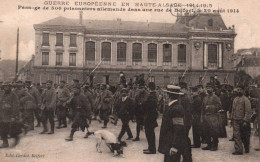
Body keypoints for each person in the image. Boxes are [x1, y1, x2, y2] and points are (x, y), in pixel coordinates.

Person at [158, 85, 192, 162]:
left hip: (172, 146)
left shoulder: (176, 109)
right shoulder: (172, 107)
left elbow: (178, 128)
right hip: (169, 144)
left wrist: (174, 146)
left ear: (169, 96)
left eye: (166, 94)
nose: (165, 96)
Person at [0, 82, 22, 148]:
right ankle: (5, 143)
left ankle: (16, 138)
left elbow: (16, 106)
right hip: (2, 115)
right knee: (2, 129)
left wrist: (14, 115)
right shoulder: (3, 94)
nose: (5, 88)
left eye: (7, 86)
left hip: (10, 116)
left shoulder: (13, 95)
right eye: (4, 86)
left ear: (10, 87)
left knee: (11, 130)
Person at [201, 83, 222, 151]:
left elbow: (219, 106)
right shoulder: (205, 98)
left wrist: (210, 107)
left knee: (214, 132)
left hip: (213, 117)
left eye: (209, 88)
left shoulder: (215, 97)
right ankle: (209, 145)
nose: (208, 89)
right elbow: (202, 108)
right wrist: (202, 116)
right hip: (206, 117)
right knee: (206, 131)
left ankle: (215, 145)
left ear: (212, 89)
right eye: (207, 88)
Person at [231, 85, 252, 155]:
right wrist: (232, 118)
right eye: (238, 90)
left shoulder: (246, 100)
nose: (239, 91)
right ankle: (238, 150)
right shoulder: (235, 99)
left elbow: (248, 111)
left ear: (243, 90)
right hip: (236, 120)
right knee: (236, 135)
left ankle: (246, 147)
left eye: (240, 90)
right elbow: (233, 110)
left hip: (243, 121)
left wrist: (245, 120)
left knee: (245, 136)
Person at [143, 82, 158, 154]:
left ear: (149, 88)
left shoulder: (152, 96)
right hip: (150, 116)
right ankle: (150, 147)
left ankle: (152, 149)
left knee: (150, 133)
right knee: (149, 133)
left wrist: (143, 104)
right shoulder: (153, 95)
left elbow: (149, 106)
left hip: (150, 117)